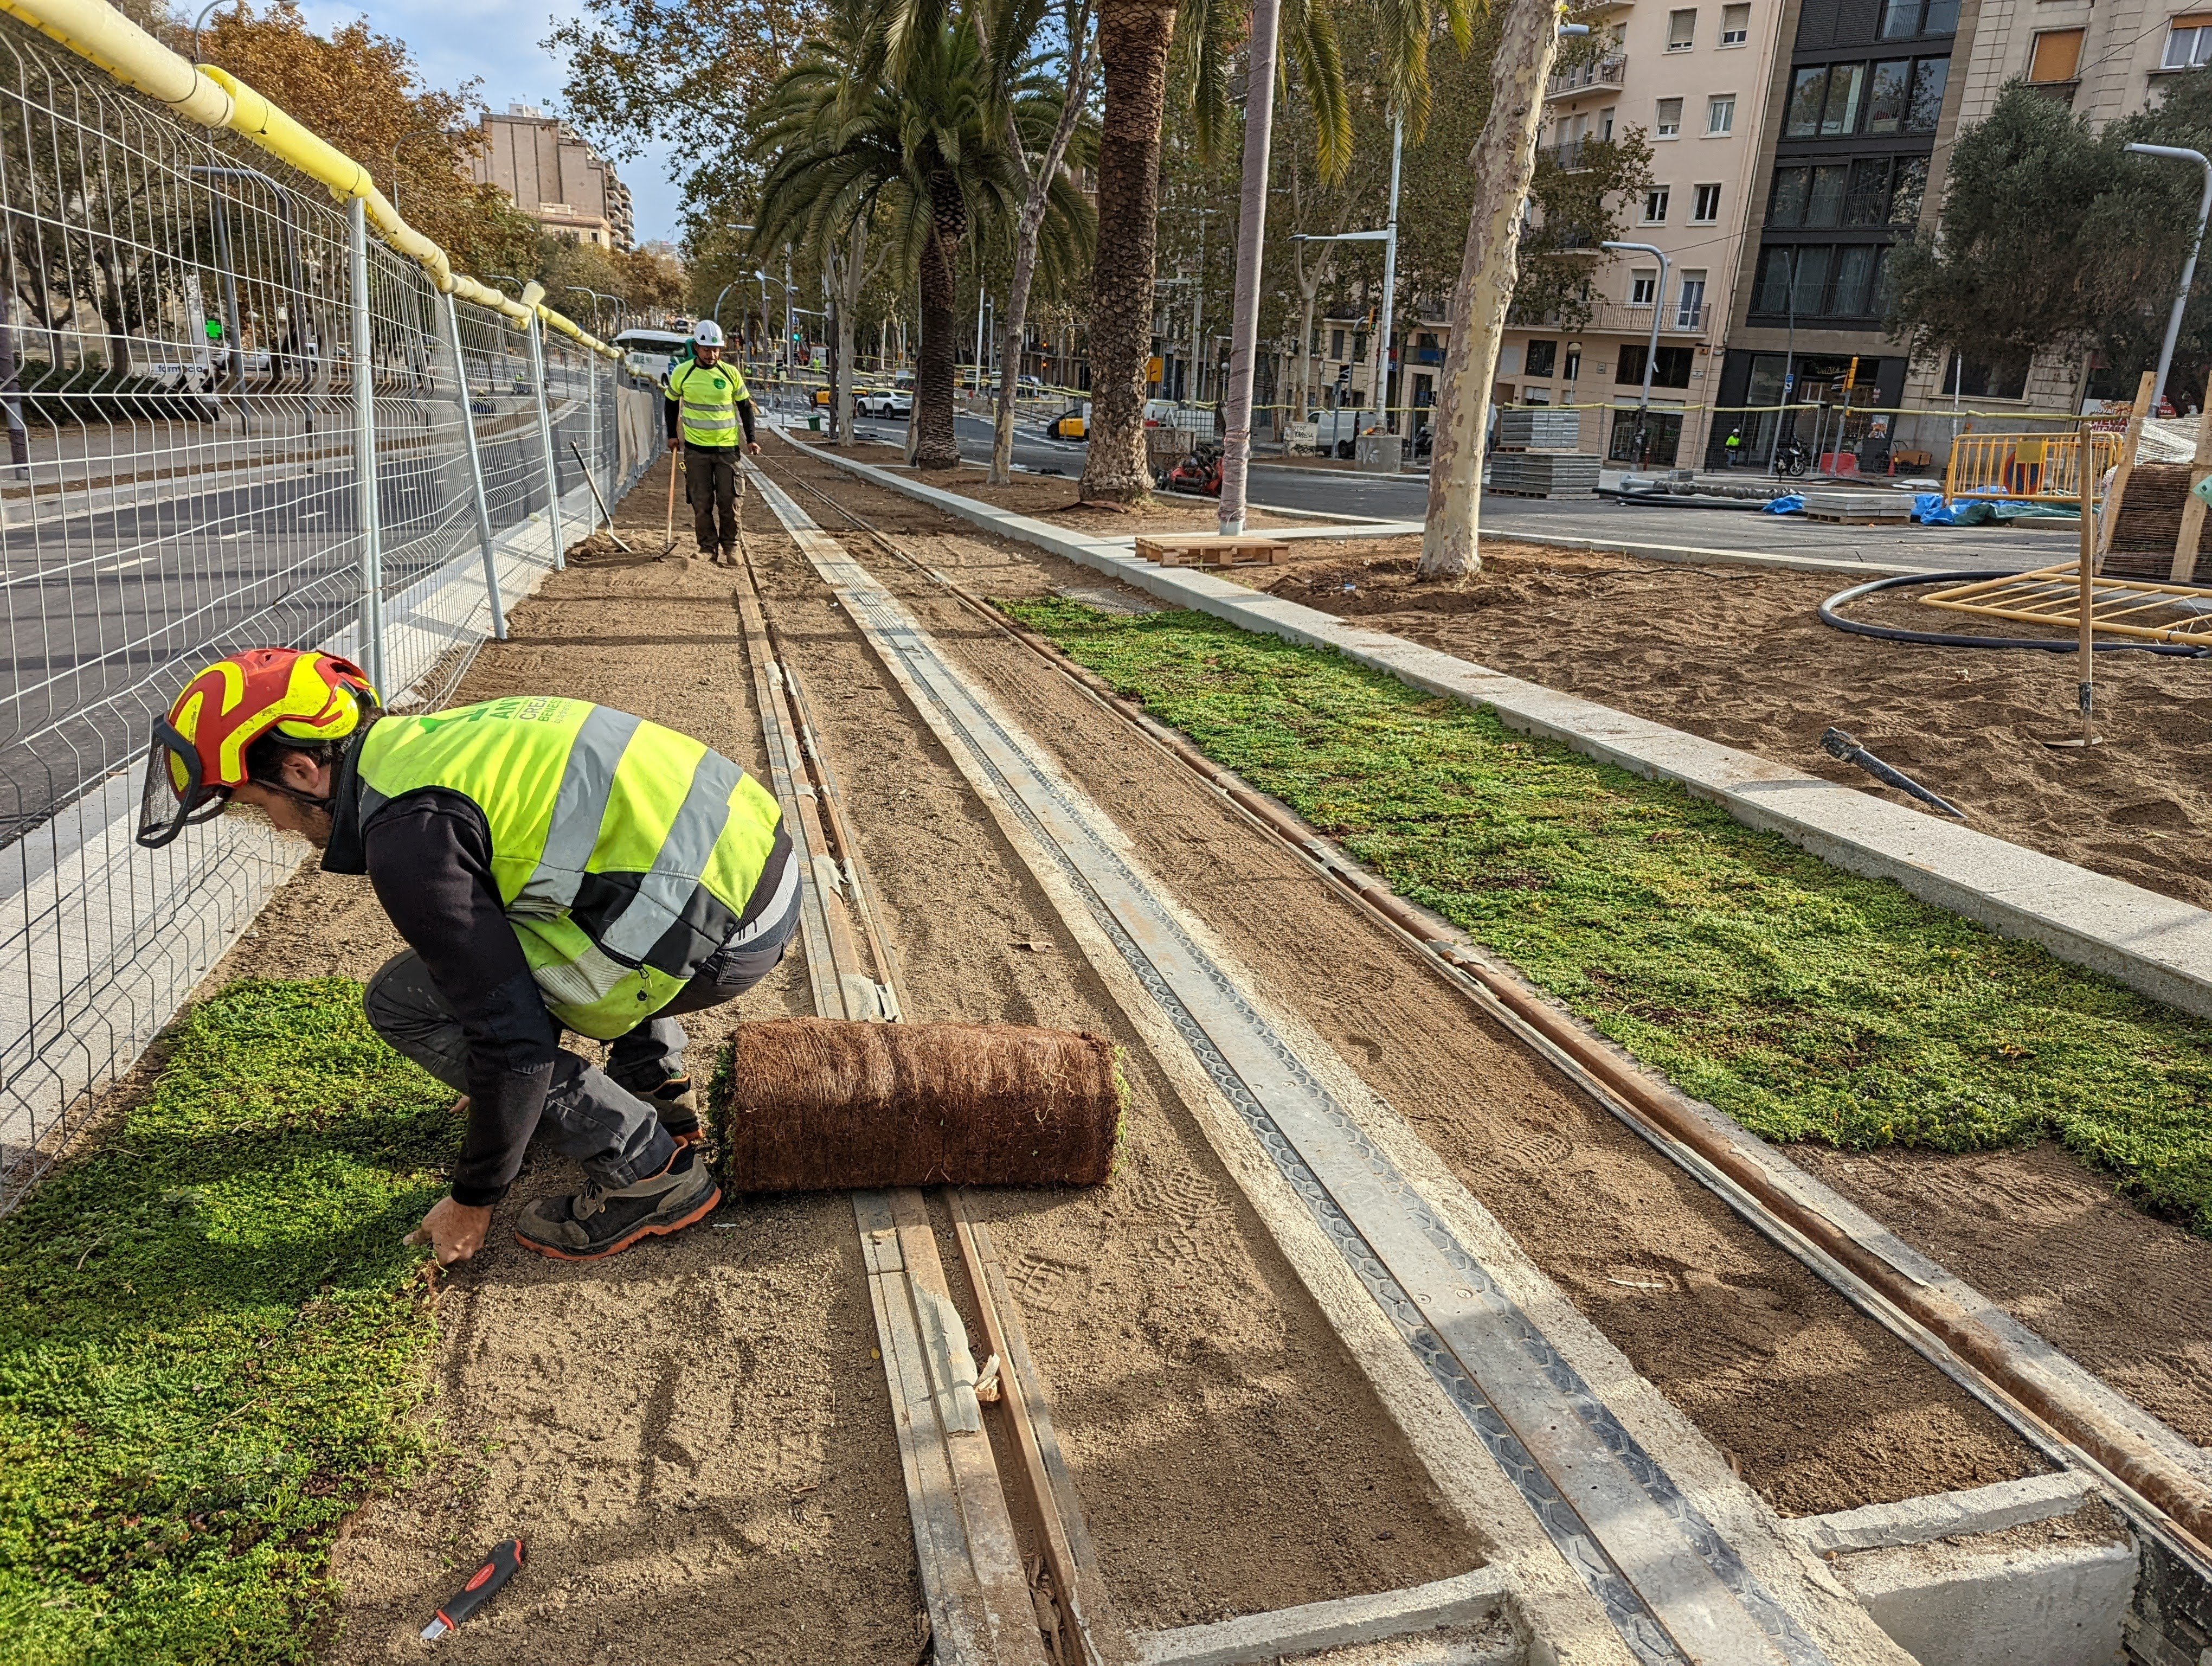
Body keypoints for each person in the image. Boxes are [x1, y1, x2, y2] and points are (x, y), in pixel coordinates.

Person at [136, 649, 798, 1265]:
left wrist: (473, 1197)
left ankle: (649, 1170)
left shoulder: (410, 836)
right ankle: (650, 1080)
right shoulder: (432, 744)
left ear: (301, 771)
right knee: (534, 909)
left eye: (261, 806)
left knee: (406, 1002)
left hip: (722, 939)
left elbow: (512, 1039)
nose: (278, 827)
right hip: (758, 872)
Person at [666, 319, 762, 565]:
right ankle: (707, 547)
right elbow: (670, 402)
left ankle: (731, 545)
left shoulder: (730, 373)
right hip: (696, 451)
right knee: (701, 501)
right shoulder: (683, 372)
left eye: (716, 349)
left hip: (727, 450)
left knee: (730, 500)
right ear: (696, 347)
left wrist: (751, 439)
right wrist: (672, 435)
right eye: (707, 349)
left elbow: (745, 407)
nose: (712, 354)